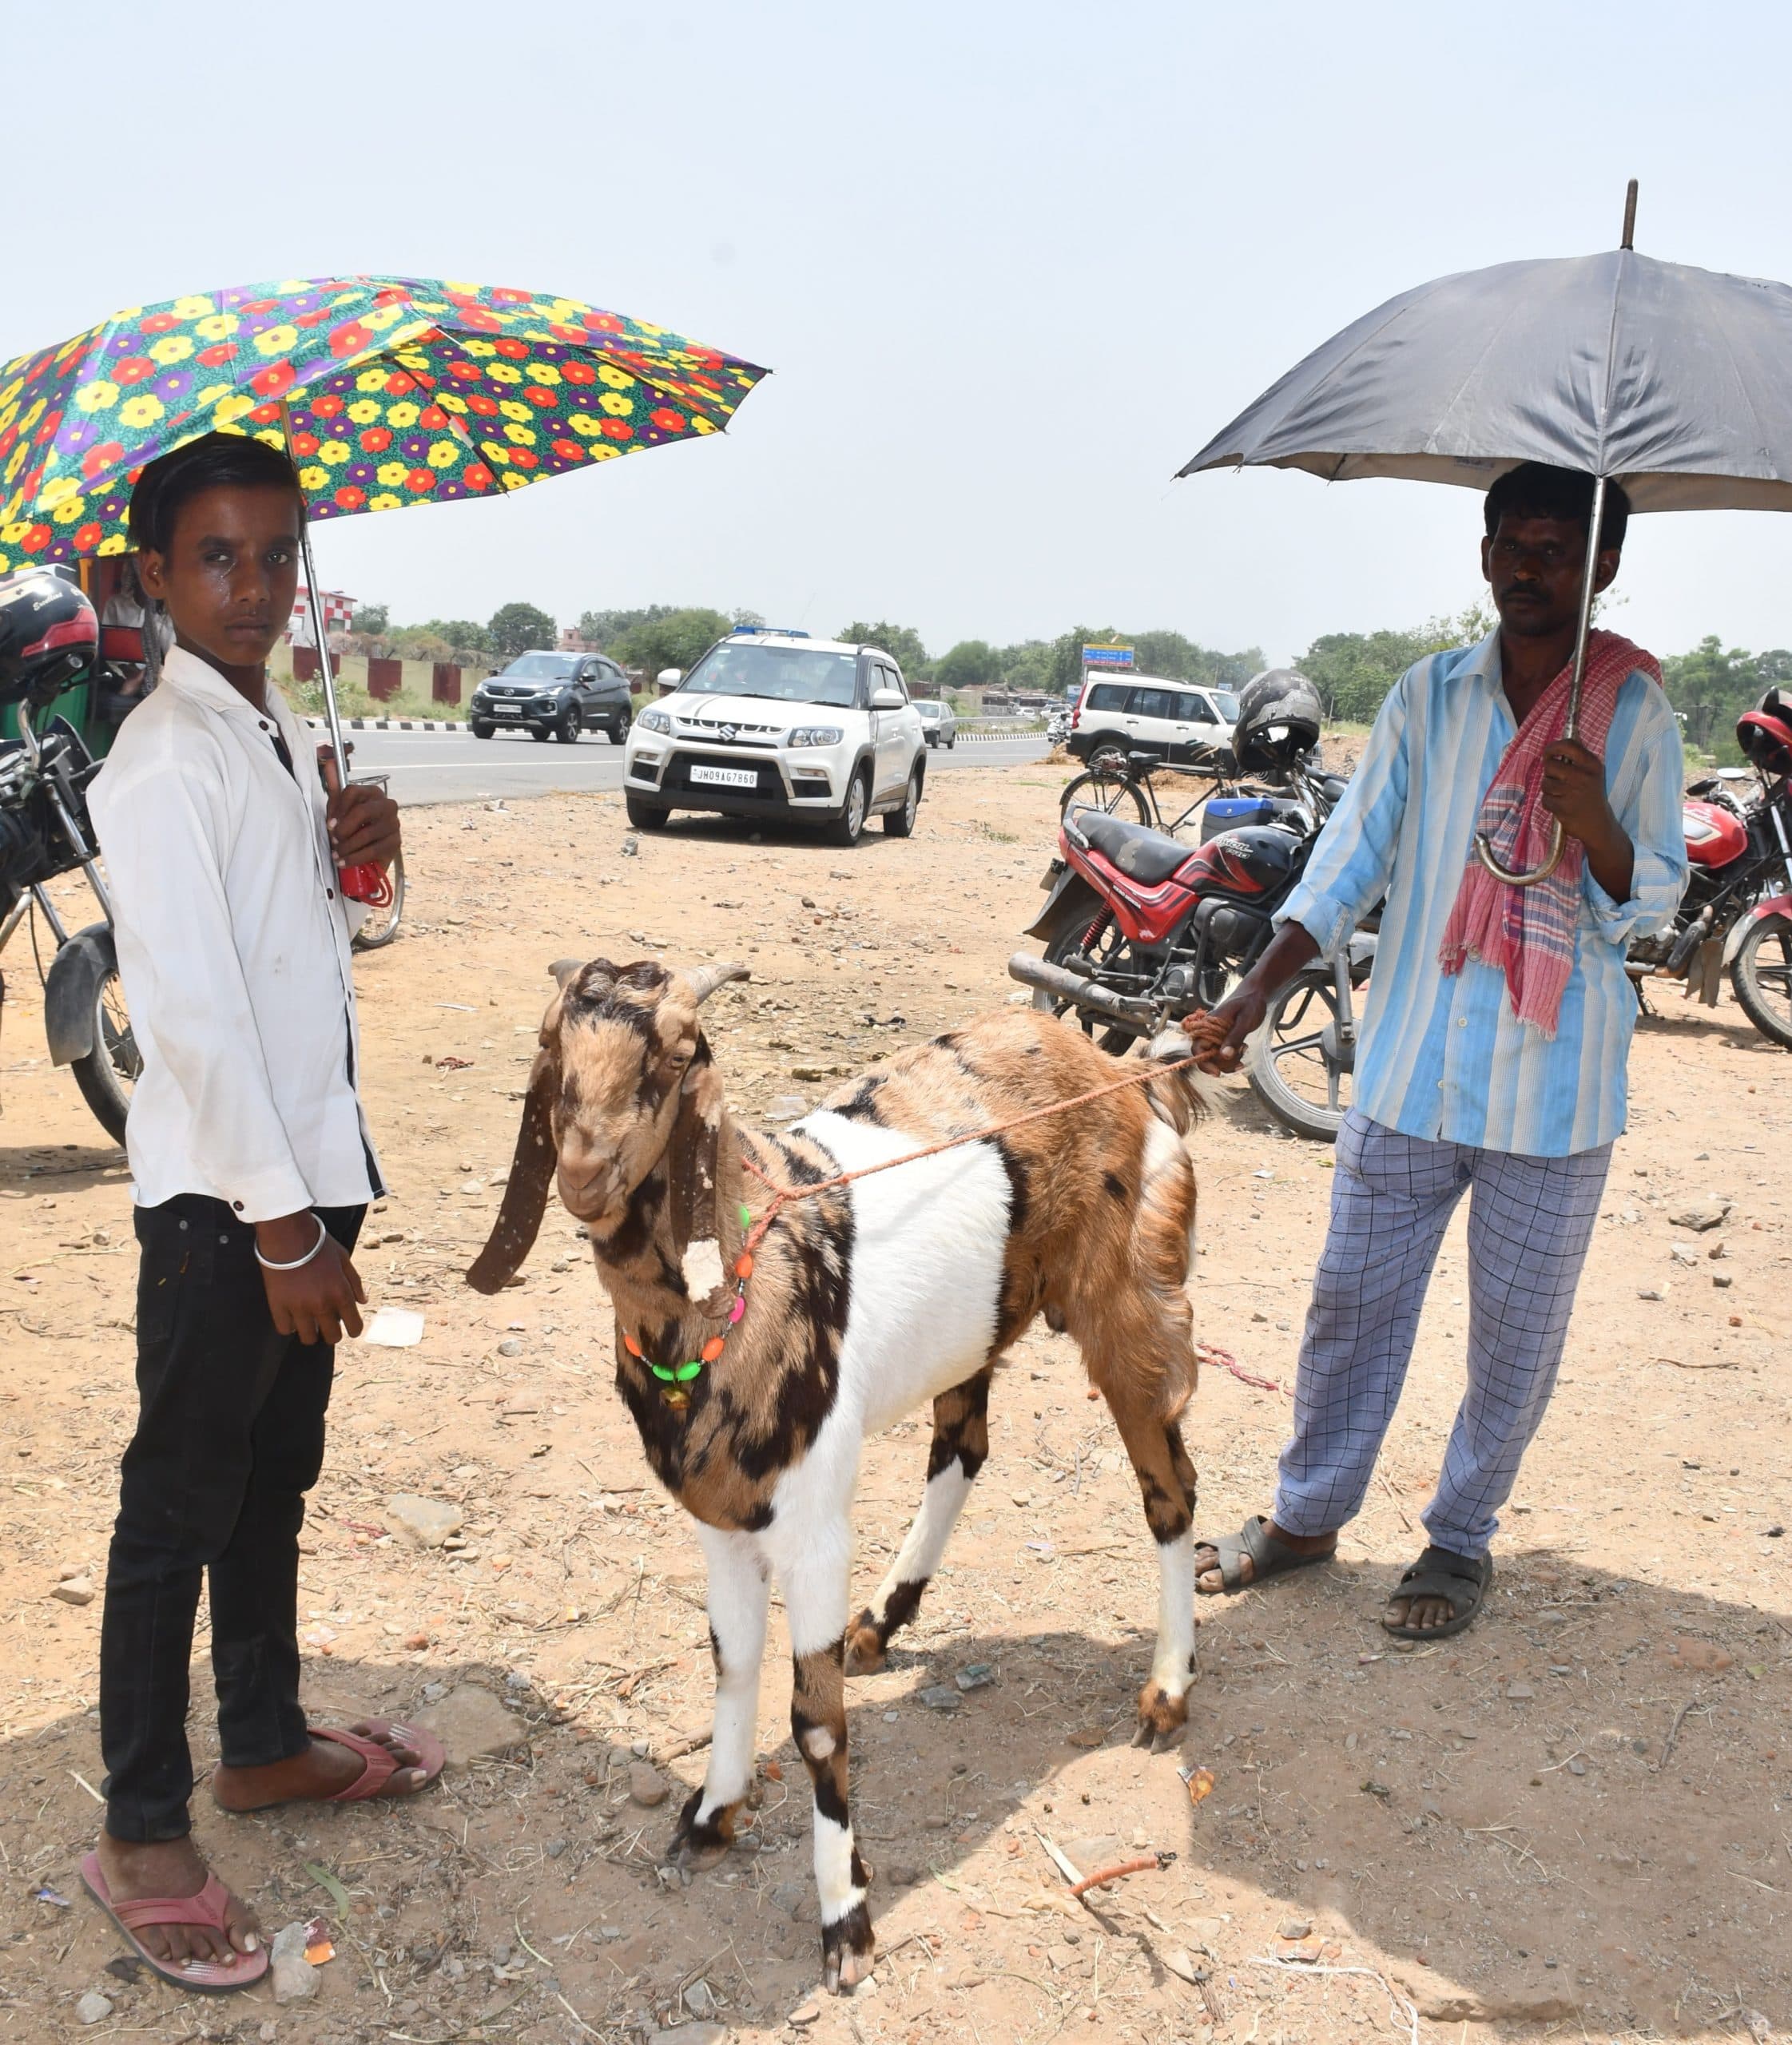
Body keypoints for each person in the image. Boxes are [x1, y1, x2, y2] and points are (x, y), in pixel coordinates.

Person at [1190, 463, 1687, 1640]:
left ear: (1604, 567)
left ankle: (1460, 1539)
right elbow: (1350, 859)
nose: (1528, 571)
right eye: (1511, 546)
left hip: (1552, 1092)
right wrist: (1253, 993)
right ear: (1484, 555)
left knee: (1514, 1339)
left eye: (1556, 551)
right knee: (1351, 1305)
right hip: (1410, 1068)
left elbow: (1654, 900)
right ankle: (1309, 1517)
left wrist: (1594, 823)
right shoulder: (1429, 694)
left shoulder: (1635, 716)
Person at [81, 433, 441, 1992]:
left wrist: (367, 853)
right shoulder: (162, 758)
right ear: (155, 577)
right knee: (177, 1506)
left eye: (277, 553)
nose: (253, 586)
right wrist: (286, 1232)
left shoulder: (271, 727)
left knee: (271, 1478)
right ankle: (143, 1829)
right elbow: (195, 1017)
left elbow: (312, 957)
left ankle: (265, 1741)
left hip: (310, 1175)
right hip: (229, 1210)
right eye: (217, 557)